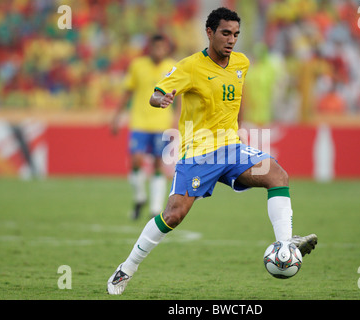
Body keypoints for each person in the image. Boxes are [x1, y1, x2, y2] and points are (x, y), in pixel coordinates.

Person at [107, 7, 317, 295]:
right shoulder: (189, 67)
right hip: (199, 152)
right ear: (210, 32)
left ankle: (284, 244)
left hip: (231, 149)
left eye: (236, 34)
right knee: (173, 215)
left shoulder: (241, 62)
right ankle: (127, 268)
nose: (232, 40)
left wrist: (239, 130)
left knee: (277, 175)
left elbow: (237, 97)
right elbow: (156, 94)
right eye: (226, 33)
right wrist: (162, 99)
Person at [111, 34, 178, 219]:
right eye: (156, 47)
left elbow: (179, 97)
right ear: (150, 48)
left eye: (162, 48)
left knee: (158, 164)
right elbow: (127, 92)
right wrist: (116, 116)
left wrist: (177, 121)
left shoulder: (173, 67)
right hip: (139, 122)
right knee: (136, 161)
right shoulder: (137, 66)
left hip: (162, 124)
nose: (159, 51)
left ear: (166, 49)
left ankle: (156, 209)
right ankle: (140, 196)